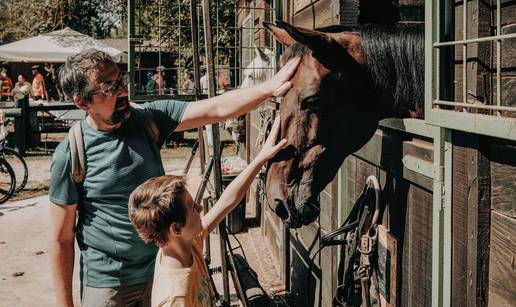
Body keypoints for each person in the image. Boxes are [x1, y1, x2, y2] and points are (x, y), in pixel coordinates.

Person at [49, 49, 299, 307]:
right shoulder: (71, 154)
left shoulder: (148, 120)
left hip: (164, 267)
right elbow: (61, 239)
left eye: (121, 80)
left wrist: (270, 87)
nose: (123, 91)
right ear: (82, 102)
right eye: (109, 87)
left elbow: (216, 107)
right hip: (110, 286)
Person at [128, 117, 285, 307]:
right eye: (193, 207)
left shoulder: (184, 244)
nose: (201, 208)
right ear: (176, 228)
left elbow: (227, 201)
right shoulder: (175, 297)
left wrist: (261, 158)